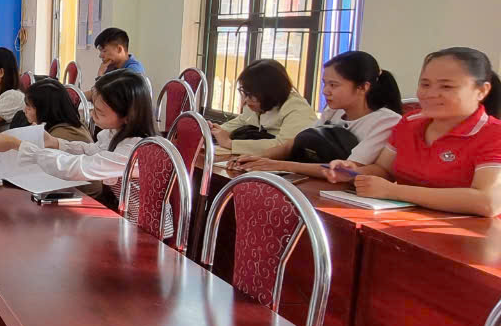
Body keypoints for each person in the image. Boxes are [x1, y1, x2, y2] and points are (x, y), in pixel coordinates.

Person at [325, 47, 501, 217]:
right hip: (400, 223)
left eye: (446, 86)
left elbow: (487, 202)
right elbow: (384, 170)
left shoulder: (494, 134)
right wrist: (354, 173)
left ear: (482, 91)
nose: (430, 94)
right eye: (425, 84)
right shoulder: (410, 122)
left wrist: (394, 191)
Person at [0, 70, 166, 231]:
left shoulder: (135, 151)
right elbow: (91, 151)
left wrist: (19, 146)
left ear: (127, 116)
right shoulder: (115, 133)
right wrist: (56, 143)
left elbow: (79, 167)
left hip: (145, 229)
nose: (93, 115)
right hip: (122, 217)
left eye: (100, 112)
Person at [230, 51, 402, 178]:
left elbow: (346, 169)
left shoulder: (387, 122)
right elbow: (295, 143)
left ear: (363, 87)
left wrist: (278, 165)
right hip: (315, 181)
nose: (325, 91)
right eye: (324, 84)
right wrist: (259, 158)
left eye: (333, 85)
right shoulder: (334, 110)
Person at [210, 59, 316, 154]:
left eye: (251, 94)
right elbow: (242, 121)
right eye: (245, 93)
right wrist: (213, 131)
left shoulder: (297, 108)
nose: (246, 100)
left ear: (269, 92)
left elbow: (284, 146)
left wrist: (230, 143)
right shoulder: (256, 103)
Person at [17, 78, 92, 143]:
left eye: (29, 107)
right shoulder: (61, 126)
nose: (24, 110)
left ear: (45, 110)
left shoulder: (60, 136)